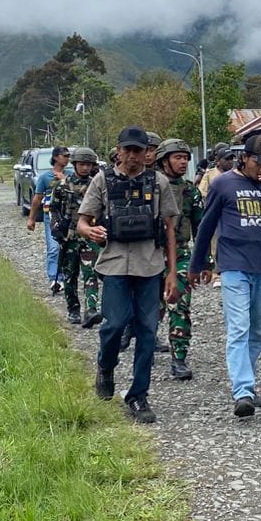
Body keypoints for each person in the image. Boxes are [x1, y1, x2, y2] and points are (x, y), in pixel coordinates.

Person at [76, 126, 180, 423]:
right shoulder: (103, 181)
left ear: (147, 152)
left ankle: (138, 395)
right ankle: (105, 366)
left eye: (139, 150)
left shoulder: (158, 182)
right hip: (115, 263)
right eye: (128, 150)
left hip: (150, 265)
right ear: (119, 151)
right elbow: (82, 222)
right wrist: (90, 231)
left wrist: (172, 273)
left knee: (147, 331)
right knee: (115, 324)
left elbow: (170, 229)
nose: (133, 156)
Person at [192, 134, 261, 416]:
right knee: (239, 328)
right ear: (245, 158)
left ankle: (246, 383)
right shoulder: (223, 184)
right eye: (259, 163)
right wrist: (198, 264)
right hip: (233, 265)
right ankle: (243, 391)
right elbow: (206, 225)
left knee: (258, 330)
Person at [157, 139, 202, 379]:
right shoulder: (151, 188)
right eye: (177, 157)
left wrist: (205, 262)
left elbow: (200, 227)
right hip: (152, 254)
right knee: (152, 307)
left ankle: (179, 358)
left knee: (180, 305)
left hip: (182, 253)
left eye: (185, 157)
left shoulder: (190, 191)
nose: (183, 161)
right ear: (164, 161)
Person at [56, 146, 101, 324]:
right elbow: (54, 209)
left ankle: (91, 309)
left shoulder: (96, 185)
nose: (85, 168)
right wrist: (57, 229)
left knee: (90, 273)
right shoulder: (63, 185)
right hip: (69, 237)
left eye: (88, 165)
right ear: (75, 165)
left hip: (90, 236)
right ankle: (73, 309)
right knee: (70, 274)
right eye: (81, 164)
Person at [25, 145, 71, 293]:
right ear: (56, 157)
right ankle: (54, 279)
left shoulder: (71, 175)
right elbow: (37, 198)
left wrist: (65, 180)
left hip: (69, 217)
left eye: (69, 155)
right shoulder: (45, 177)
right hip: (51, 216)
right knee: (53, 248)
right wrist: (31, 219)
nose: (67, 158)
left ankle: (67, 277)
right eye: (65, 155)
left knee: (68, 248)